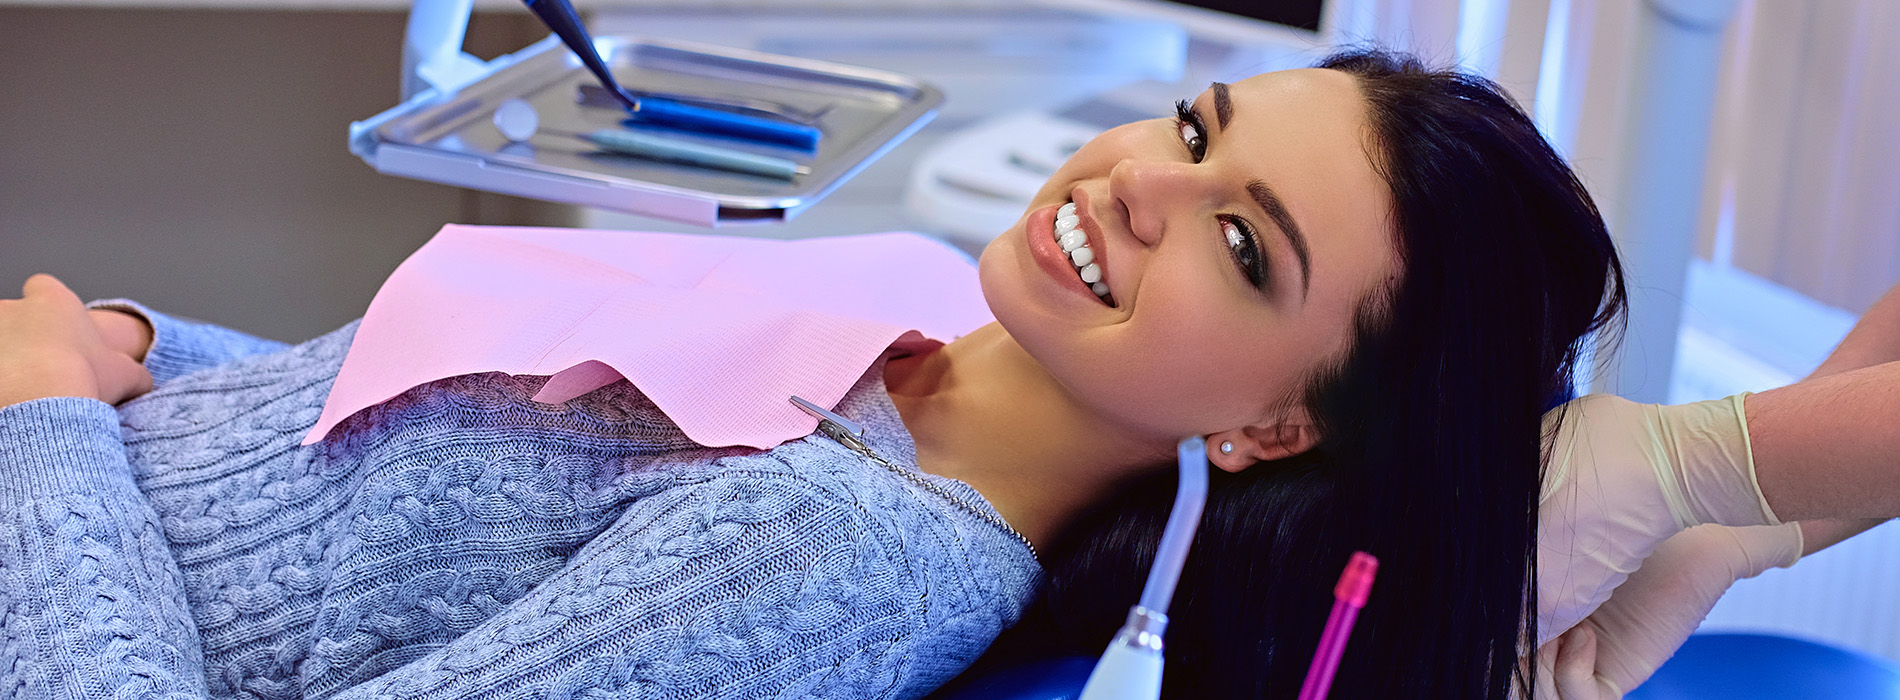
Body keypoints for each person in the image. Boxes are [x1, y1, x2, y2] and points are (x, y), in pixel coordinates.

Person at [0, 48, 1627, 700]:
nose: (1143, 180)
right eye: (1199, 129)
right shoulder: (907, 310)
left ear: (1273, 426)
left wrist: (46, 421)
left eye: (1245, 245)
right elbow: (374, 427)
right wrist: (147, 348)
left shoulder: (845, 558)